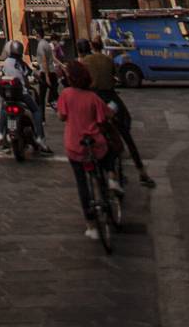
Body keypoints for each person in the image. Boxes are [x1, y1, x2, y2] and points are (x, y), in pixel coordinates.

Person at [78, 36, 155, 188]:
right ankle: (141, 172)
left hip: (94, 100)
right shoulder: (107, 59)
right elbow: (115, 76)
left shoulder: (83, 63)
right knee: (125, 131)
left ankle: (103, 167)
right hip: (110, 98)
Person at [57, 59, 120, 241]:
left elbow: (62, 116)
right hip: (94, 144)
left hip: (74, 147)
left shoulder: (66, 94)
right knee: (108, 152)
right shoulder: (93, 97)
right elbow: (103, 119)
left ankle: (91, 225)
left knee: (82, 184)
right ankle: (111, 177)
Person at [0, 39, 50, 152]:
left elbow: (3, 73)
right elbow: (30, 75)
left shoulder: (6, 62)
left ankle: (1, 133)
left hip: (8, 95)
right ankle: (40, 137)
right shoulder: (21, 63)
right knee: (36, 111)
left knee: (3, 109)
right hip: (21, 93)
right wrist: (40, 79)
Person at [33, 29, 58, 111]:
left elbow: (44, 60)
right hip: (52, 71)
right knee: (54, 93)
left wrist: (46, 75)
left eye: (36, 34)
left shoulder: (40, 45)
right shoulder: (46, 43)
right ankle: (62, 109)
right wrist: (61, 65)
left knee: (42, 97)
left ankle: (42, 118)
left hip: (45, 72)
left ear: (38, 35)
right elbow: (52, 57)